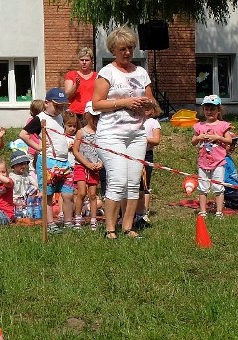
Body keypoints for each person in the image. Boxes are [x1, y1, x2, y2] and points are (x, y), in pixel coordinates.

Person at [92, 26, 156, 239]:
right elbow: (97, 104)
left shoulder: (141, 72)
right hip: (111, 133)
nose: (127, 53)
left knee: (133, 181)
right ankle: (110, 229)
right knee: (117, 179)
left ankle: (128, 227)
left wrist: (147, 106)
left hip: (137, 134)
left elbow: (152, 103)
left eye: (130, 48)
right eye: (122, 49)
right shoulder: (107, 72)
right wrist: (124, 102)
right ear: (113, 50)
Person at [19, 88, 72, 235]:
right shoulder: (40, 118)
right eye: (56, 106)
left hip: (64, 161)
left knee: (68, 194)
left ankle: (68, 222)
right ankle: (50, 223)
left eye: (62, 106)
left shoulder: (60, 117)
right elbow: (23, 134)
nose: (59, 109)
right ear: (46, 103)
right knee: (47, 195)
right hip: (48, 161)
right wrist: (38, 147)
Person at [191, 95, 232, 218]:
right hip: (203, 162)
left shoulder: (223, 125)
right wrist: (198, 137)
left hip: (218, 162)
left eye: (212, 109)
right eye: (207, 109)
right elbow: (193, 142)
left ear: (218, 110)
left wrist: (217, 137)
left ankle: (219, 212)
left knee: (218, 187)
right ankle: (203, 211)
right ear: (203, 110)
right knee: (203, 187)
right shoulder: (199, 126)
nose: (209, 112)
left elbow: (229, 141)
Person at [72, 101, 103, 231]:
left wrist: (101, 163)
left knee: (93, 194)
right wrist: (86, 163)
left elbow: (104, 150)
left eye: (98, 116)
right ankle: (77, 219)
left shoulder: (101, 133)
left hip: (95, 167)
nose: (96, 119)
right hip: (81, 166)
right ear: (86, 116)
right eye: (93, 116)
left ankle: (93, 220)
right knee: (81, 192)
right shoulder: (81, 132)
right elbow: (75, 150)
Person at [136, 101, 162, 224]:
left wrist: (143, 139)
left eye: (148, 108)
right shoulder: (136, 120)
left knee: (145, 184)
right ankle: (134, 210)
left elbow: (156, 140)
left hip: (146, 155)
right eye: (143, 108)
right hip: (134, 154)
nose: (145, 111)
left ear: (153, 110)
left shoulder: (153, 122)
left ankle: (144, 211)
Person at [64, 47, 97, 117]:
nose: (84, 62)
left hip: (92, 113)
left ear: (91, 61)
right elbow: (66, 95)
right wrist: (75, 86)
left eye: (87, 60)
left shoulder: (97, 76)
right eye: (82, 60)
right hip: (75, 114)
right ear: (78, 61)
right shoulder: (71, 75)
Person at [223, 133, 238, 209]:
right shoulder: (222, 160)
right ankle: (225, 202)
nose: (234, 147)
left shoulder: (228, 158)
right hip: (231, 191)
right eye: (231, 144)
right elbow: (224, 180)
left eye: (235, 144)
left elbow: (233, 174)